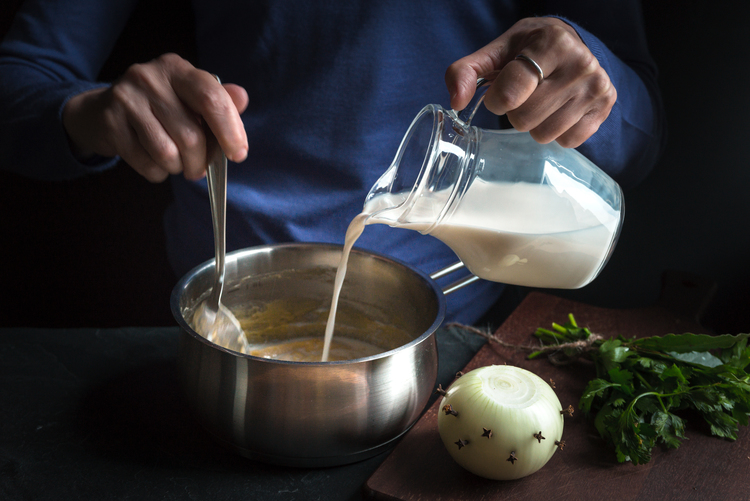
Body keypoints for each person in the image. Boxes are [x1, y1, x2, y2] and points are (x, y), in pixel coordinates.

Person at [0, 0, 664, 325]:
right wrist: (94, 113)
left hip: (452, 328)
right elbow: (18, 81)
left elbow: (641, 136)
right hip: (214, 308)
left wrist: (592, 87)